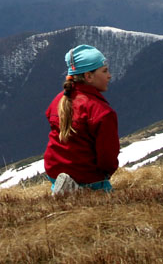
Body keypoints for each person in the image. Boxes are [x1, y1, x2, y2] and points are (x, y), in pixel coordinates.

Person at [43, 44, 119, 194]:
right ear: (88, 76)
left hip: (53, 171)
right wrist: (104, 175)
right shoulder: (102, 112)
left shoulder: (59, 100)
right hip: (88, 178)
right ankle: (80, 190)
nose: (109, 75)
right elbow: (107, 158)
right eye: (104, 71)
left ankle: (63, 188)